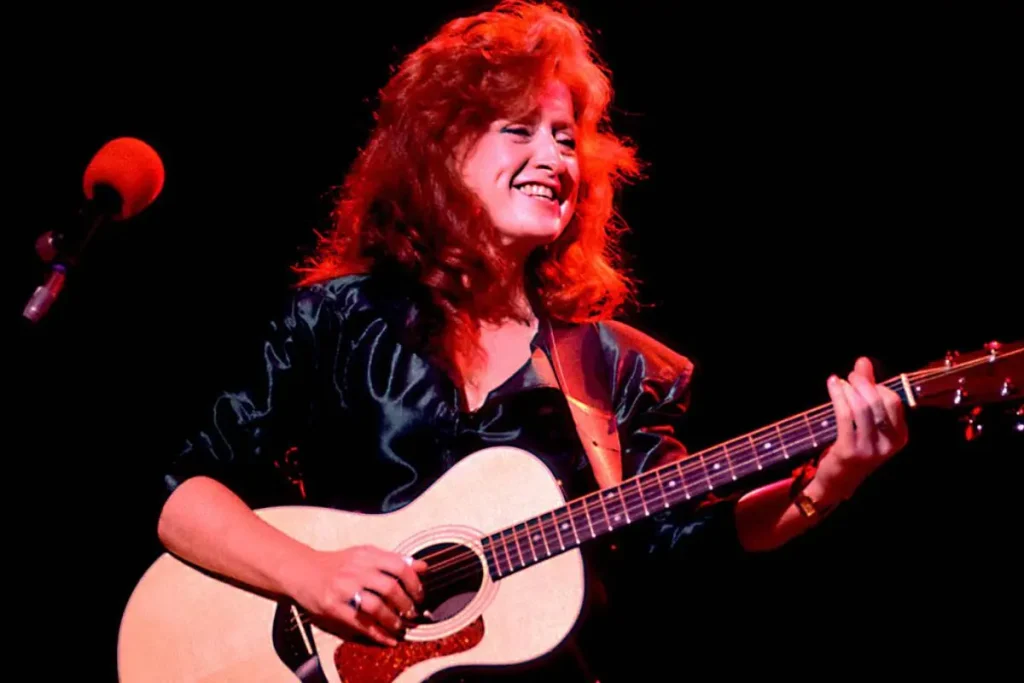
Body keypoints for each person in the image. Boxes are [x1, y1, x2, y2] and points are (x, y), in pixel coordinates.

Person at [153, 1, 909, 680]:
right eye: (519, 131)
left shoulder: (612, 364)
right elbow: (183, 493)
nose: (555, 158)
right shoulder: (339, 318)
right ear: (441, 154)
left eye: (566, 139)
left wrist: (828, 481)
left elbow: (678, 543)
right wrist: (310, 572)